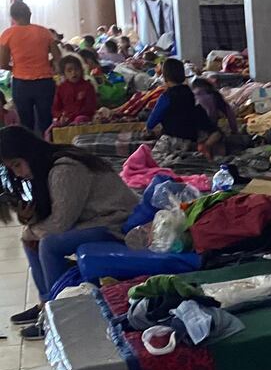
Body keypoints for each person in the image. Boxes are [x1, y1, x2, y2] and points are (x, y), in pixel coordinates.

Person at [0, 126, 138, 339]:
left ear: (30, 153)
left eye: (18, 164)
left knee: (48, 243)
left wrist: (32, 230)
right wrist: (29, 220)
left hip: (117, 222)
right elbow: (52, 212)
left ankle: (60, 315)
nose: (18, 173)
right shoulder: (45, 169)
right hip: (94, 220)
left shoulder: (65, 168)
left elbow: (59, 224)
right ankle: (47, 304)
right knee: (32, 237)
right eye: (12, 168)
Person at [0, 0, 61, 135]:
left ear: (13, 17)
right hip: (44, 82)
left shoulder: (7, 34)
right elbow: (58, 58)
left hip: (21, 83)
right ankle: (49, 150)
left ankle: (28, 152)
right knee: (46, 120)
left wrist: (16, 67)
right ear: (30, 14)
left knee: (26, 123)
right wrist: (50, 67)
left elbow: (2, 64)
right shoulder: (44, 32)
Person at [147, 58, 221, 160]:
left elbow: (151, 123)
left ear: (164, 77)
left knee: (151, 163)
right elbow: (200, 117)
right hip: (190, 141)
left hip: (170, 140)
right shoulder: (191, 94)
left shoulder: (167, 97)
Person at [52, 55, 98, 125]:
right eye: (69, 71)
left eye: (76, 69)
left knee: (79, 119)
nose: (73, 73)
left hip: (84, 118)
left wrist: (73, 115)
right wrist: (61, 116)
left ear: (81, 70)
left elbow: (91, 107)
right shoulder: (61, 88)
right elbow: (56, 108)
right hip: (65, 118)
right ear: (64, 73)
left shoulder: (88, 86)